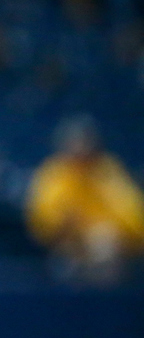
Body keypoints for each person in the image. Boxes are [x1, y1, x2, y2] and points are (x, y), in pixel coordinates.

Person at [26, 116, 144, 278]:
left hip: (111, 246)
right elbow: (42, 223)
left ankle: (107, 300)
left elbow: (134, 218)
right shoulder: (54, 173)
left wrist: (105, 229)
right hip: (67, 247)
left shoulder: (107, 172)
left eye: (84, 144)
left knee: (103, 245)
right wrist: (63, 223)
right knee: (66, 262)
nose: (79, 151)